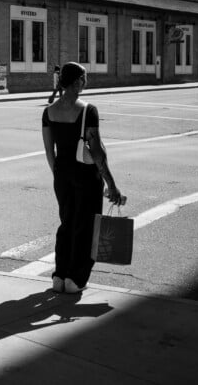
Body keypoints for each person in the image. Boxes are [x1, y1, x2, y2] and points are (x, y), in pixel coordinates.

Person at [41, 62, 126, 294]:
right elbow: (97, 151)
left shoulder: (48, 111)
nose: (86, 82)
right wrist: (112, 184)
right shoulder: (88, 111)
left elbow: (50, 152)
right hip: (86, 176)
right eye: (84, 78)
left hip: (61, 175)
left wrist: (59, 175)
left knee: (67, 223)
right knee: (86, 226)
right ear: (78, 81)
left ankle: (59, 275)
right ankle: (75, 279)